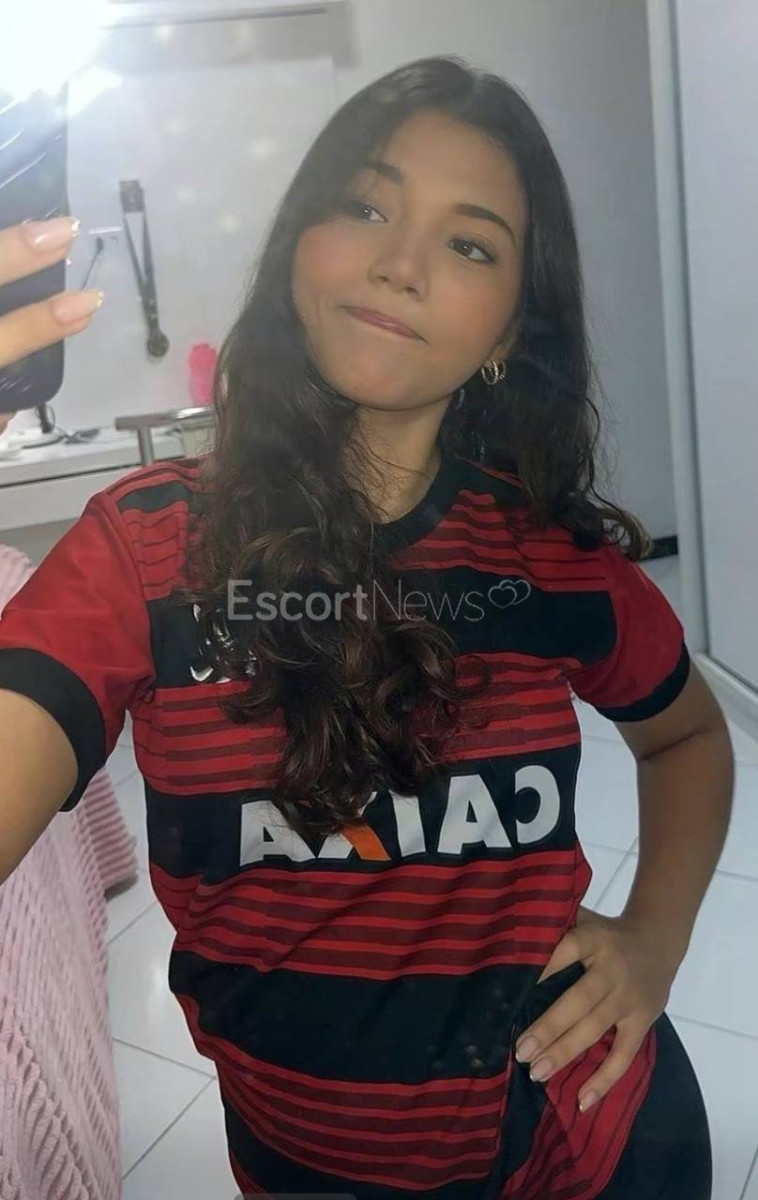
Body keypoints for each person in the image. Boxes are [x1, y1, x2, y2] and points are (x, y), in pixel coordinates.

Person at [0, 56, 732, 1199]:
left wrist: (655, 937)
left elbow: (685, 735)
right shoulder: (141, 552)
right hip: (300, 1164)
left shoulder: (547, 559)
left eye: (469, 245)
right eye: (366, 206)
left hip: (590, 1140)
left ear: (506, 330)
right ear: (302, 244)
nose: (401, 263)